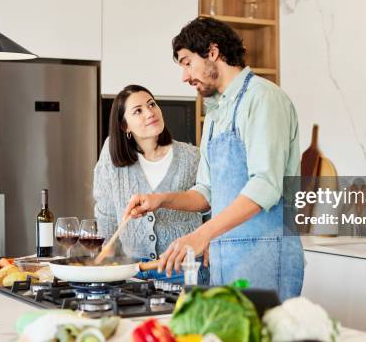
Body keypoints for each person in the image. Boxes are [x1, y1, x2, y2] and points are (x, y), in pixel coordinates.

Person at [124, 17, 304, 300]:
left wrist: (202, 234)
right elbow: (207, 193)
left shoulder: (264, 99)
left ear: (213, 52)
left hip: (268, 257)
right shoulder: (216, 115)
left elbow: (265, 186)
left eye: (187, 62)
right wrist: (159, 200)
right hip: (226, 260)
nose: (184, 76)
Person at [93, 84, 208, 284]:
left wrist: (209, 240)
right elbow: (106, 214)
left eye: (152, 104)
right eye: (138, 111)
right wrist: (107, 263)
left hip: (182, 269)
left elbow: (212, 206)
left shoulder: (192, 157)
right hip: (130, 272)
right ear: (124, 126)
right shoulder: (110, 157)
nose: (150, 112)